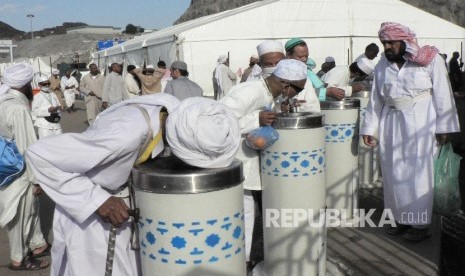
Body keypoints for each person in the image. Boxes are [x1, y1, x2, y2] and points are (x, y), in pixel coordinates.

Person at [26, 93, 240, 276]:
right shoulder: (123, 135)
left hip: (124, 213)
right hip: (92, 222)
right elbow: (40, 155)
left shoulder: (178, 116)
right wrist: (98, 201)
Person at [361, 22, 460, 242]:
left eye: (391, 42)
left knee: (418, 174)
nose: (387, 47)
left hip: (422, 123)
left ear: (405, 41)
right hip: (390, 123)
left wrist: (445, 127)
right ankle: (399, 219)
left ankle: (419, 224)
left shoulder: (430, 59)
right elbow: (376, 99)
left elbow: (443, 94)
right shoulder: (382, 65)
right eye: (384, 43)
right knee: (392, 173)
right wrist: (370, 128)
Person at [220, 59, 307, 270]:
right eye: (298, 90)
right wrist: (256, 120)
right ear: (286, 84)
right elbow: (219, 119)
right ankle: (241, 260)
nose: (296, 94)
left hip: (252, 160)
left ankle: (244, 256)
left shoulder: (269, 93)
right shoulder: (251, 92)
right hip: (238, 159)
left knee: (250, 211)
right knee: (244, 212)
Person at [0, 62, 50, 271]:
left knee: (18, 214)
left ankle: (31, 249)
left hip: (6, 169)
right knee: (23, 214)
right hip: (20, 172)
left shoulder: (3, 103)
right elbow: (27, 147)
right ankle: (20, 260)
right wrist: (36, 179)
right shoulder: (19, 109)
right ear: (25, 85)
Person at [285, 37, 345, 102]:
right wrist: (326, 92)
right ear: (288, 55)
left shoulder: (307, 70)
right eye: (300, 57)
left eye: (306, 56)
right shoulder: (285, 73)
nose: (304, 59)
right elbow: (299, 94)